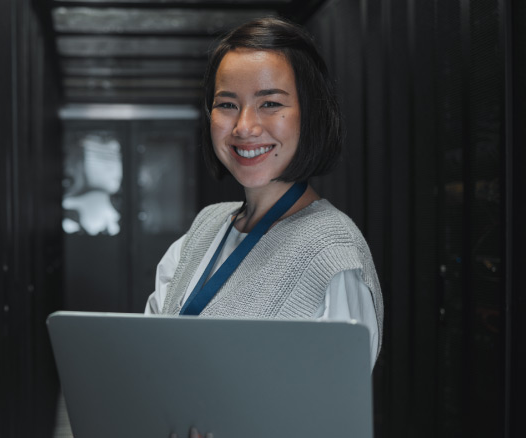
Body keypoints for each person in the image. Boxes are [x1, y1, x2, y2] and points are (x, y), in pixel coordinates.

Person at [144, 16, 383, 371]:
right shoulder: (204, 229)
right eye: (227, 104)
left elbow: (332, 412)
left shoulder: (334, 253)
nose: (244, 127)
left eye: (270, 103)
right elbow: (146, 351)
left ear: (310, 114)